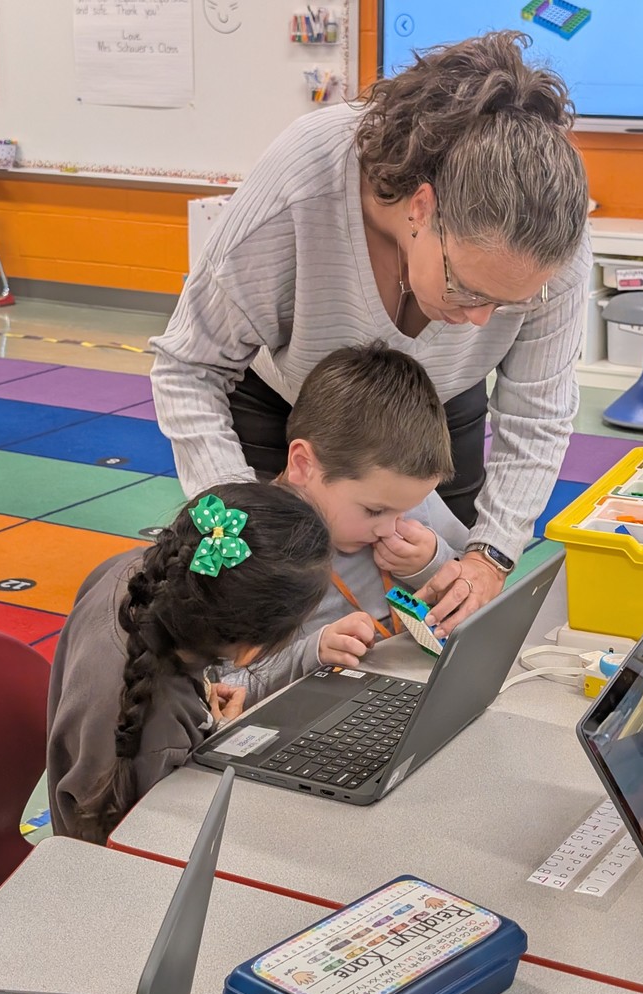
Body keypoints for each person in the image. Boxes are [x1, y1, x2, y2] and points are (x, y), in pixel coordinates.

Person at [150, 30, 591, 642]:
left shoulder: (551, 241)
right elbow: (189, 366)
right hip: (282, 401)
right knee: (261, 604)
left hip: (432, 409)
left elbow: (538, 414)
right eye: (467, 289)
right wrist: (231, 524)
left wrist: (490, 556)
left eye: (509, 304)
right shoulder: (304, 178)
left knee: (444, 604)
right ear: (422, 208)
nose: (482, 322)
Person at [47, 483, 331, 844]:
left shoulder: (127, 574)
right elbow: (167, 848)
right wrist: (223, 742)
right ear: (249, 652)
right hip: (128, 864)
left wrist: (205, 714)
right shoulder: (160, 730)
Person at [232, 341, 467, 693]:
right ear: (302, 464)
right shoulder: (252, 552)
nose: (391, 528)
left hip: (417, 690)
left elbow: (480, 591)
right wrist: (311, 653)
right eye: (374, 511)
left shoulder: (407, 497)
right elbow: (222, 690)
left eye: (404, 510)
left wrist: (432, 564)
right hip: (321, 708)